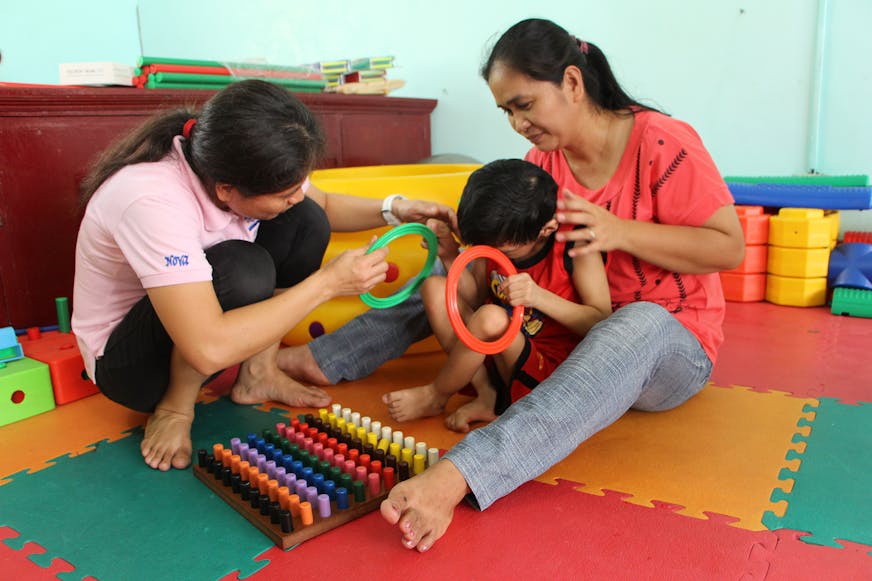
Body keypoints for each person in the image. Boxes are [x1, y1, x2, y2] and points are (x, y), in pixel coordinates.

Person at [281, 18, 745, 551]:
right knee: (454, 267)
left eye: (524, 104)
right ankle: (323, 358)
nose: (517, 123)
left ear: (572, 82)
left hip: (667, 343)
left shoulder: (662, 142)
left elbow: (729, 247)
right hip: (562, 330)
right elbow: (498, 263)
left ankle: (460, 475)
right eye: (506, 111)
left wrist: (619, 231)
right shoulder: (541, 163)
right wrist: (467, 248)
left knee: (631, 323)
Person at [71, 79, 455, 472]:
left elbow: (321, 203)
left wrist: (398, 209)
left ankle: (258, 373)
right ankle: (174, 408)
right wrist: (328, 284)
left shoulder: (240, 163)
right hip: (132, 367)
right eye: (284, 190)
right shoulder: (151, 200)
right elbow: (208, 347)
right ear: (226, 190)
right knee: (244, 267)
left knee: (306, 219)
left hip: (195, 329)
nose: (296, 193)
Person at [382, 159, 611, 431]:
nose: (493, 254)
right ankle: (487, 393)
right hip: (490, 352)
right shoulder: (493, 241)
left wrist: (538, 297)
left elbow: (602, 322)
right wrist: (448, 252)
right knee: (435, 288)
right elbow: (478, 296)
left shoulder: (575, 245)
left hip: (547, 370)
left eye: (503, 250)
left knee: (491, 318)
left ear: (545, 230)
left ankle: (437, 394)